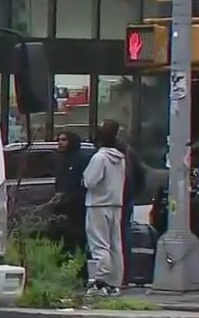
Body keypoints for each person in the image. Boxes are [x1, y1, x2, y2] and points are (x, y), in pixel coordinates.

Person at [82, 121, 128, 296]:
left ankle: (101, 281)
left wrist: (84, 179)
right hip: (116, 203)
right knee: (115, 244)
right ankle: (115, 282)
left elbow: (90, 181)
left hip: (98, 204)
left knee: (99, 243)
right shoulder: (120, 158)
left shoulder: (99, 157)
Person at [99, 119, 146, 285]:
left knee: (105, 239)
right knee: (119, 238)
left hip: (109, 199)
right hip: (123, 197)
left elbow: (92, 178)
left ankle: (109, 277)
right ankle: (123, 276)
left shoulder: (105, 152)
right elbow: (140, 174)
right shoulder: (126, 151)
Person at [47, 131, 90, 260]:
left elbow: (83, 183)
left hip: (76, 208)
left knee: (78, 241)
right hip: (62, 207)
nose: (60, 143)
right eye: (58, 140)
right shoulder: (61, 160)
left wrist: (70, 196)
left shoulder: (80, 159)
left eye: (64, 140)